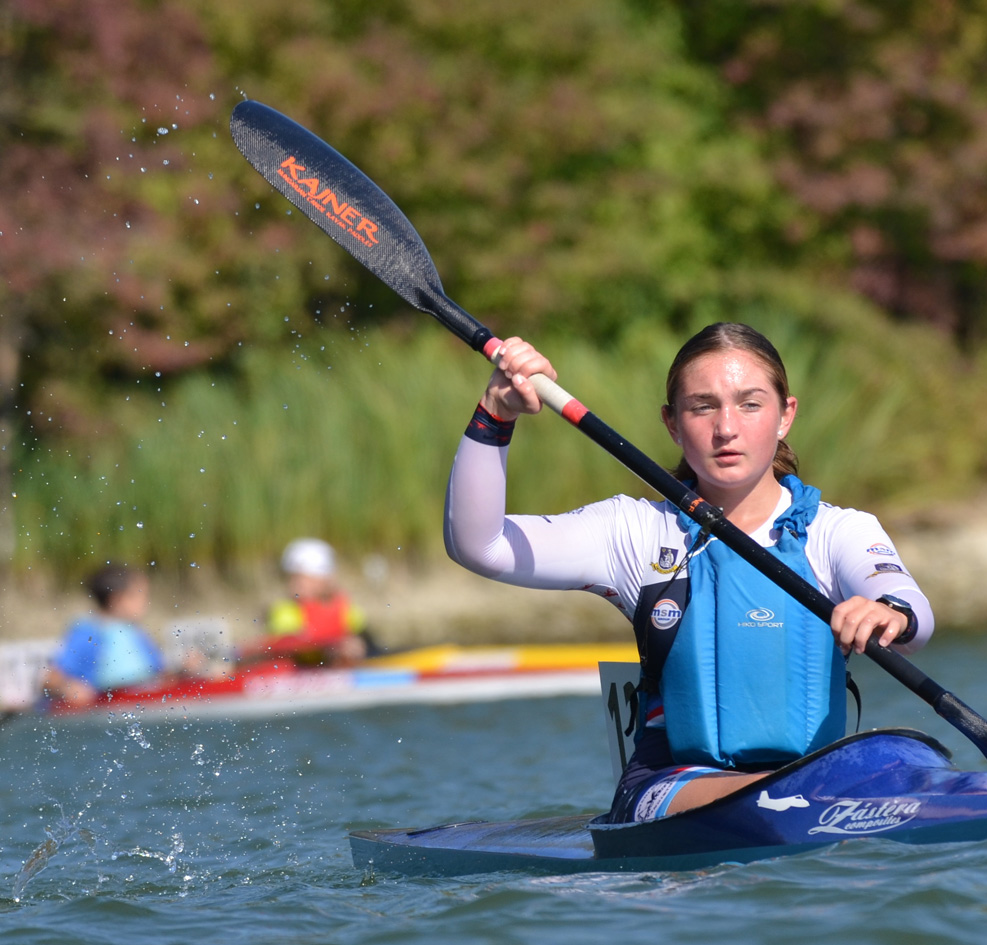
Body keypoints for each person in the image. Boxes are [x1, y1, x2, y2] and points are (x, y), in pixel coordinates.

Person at [445, 322, 933, 823]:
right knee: (793, 793)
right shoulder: (631, 532)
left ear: (786, 415)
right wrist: (495, 414)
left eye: (750, 404)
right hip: (673, 786)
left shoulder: (838, 531)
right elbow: (481, 546)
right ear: (673, 424)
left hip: (813, 782)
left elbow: (911, 611)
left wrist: (888, 613)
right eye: (703, 406)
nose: (726, 428)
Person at [41, 565, 175, 706]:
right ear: (117, 599)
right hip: (105, 708)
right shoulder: (88, 632)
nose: (147, 602)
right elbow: (51, 679)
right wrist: (68, 688)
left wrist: (184, 671)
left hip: (143, 705)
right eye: (140, 595)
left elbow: (161, 676)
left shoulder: (136, 632)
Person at [250, 538, 371, 665]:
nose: (295, 585)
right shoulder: (285, 611)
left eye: (302, 578)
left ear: (325, 579)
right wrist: (331, 649)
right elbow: (287, 648)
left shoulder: (349, 611)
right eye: (292, 578)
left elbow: (370, 645)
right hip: (302, 670)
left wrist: (357, 648)